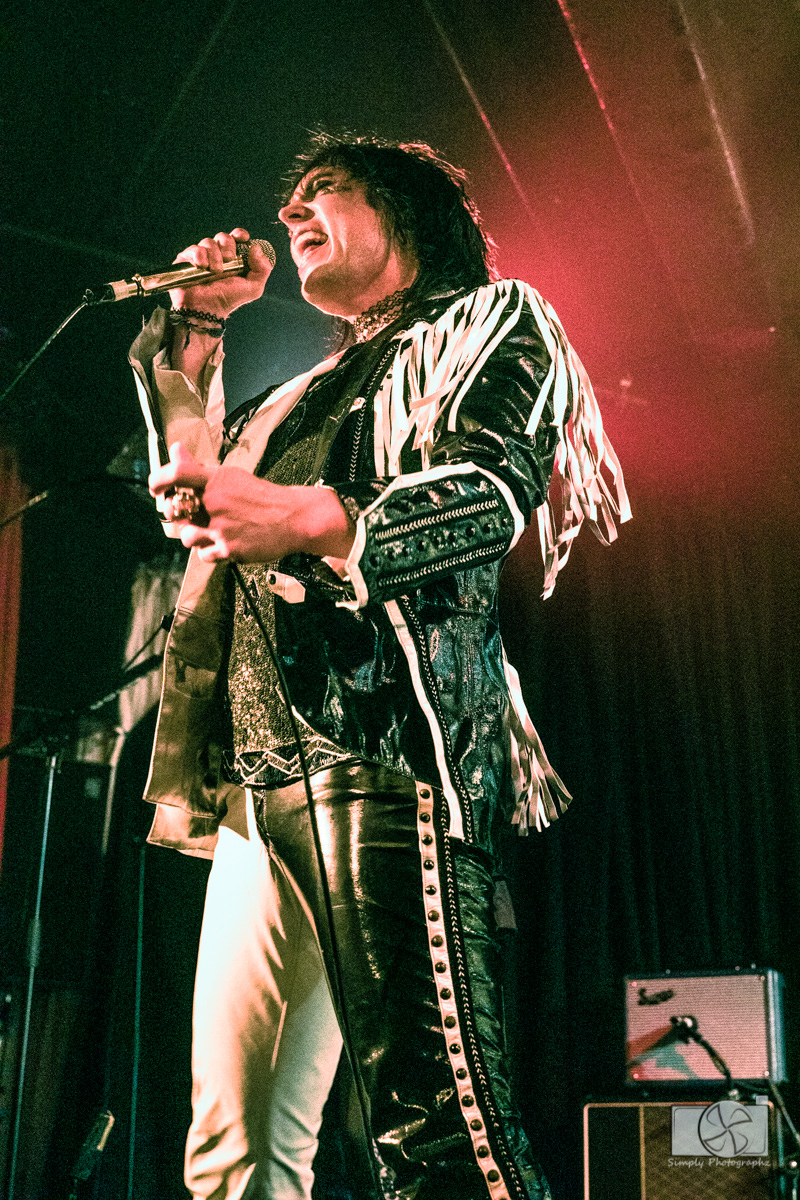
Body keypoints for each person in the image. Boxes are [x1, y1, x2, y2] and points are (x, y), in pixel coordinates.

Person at [129, 134, 629, 1200]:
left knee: (438, 1129)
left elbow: (487, 495)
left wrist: (311, 517)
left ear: (403, 209)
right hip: (255, 785)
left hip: (385, 757)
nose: (292, 212)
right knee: (232, 1144)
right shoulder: (293, 395)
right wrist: (199, 326)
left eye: (325, 190)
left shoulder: (489, 320)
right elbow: (196, 485)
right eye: (291, 197)